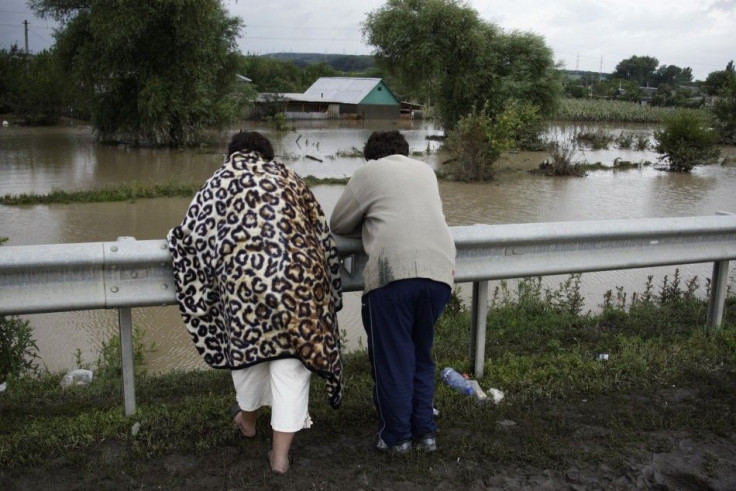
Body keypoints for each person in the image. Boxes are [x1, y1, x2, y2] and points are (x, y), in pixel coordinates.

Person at [167, 131, 344, 473]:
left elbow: (190, 234)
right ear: (267, 154)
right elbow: (322, 232)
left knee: (248, 357)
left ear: (231, 153)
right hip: (300, 282)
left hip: (245, 286)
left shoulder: (218, 181)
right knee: (291, 365)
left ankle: (247, 422)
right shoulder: (289, 176)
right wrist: (331, 289)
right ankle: (280, 458)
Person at [329, 130, 456, 454]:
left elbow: (339, 223)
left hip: (393, 275)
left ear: (370, 156)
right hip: (440, 273)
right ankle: (425, 434)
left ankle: (397, 437)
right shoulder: (425, 171)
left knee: (393, 360)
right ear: (405, 151)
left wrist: (371, 220)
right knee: (420, 356)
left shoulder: (369, 173)